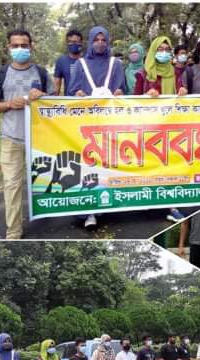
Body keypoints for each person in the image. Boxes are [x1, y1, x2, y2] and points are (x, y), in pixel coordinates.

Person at [0, 29, 49, 240]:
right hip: (11, 139)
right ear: (9, 48)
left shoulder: (41, 73)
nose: (20, 49)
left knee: (49, 183)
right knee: (12, 186)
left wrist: (42, 96)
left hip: (40, 141)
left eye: (24, 45)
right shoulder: (1, 73)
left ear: (31, 47)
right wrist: (8, 104)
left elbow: (55, 102)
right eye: (15, 46)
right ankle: (13, 232)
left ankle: (50, 214)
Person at [70, 26, 125, 230]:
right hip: (87, 124)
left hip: (111, 123)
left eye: (103, 40)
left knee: (108, 163)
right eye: (96, 40)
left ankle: (107, 205)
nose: (100, 43)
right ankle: (88, 212)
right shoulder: (80, 64)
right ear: (90, 42)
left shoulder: (116, 64)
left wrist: (120, 93)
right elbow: (72, 90)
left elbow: (124, 91)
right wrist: (77, 95)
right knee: (88, 165)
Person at [53, 29, 83, 95]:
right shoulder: (61, 61)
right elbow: (56, 85)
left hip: (87, 102)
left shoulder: (87, 60)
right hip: (68, 102)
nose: (73, 44)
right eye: (70, 42)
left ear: (81, 43)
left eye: (75, 42)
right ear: (67, 43)